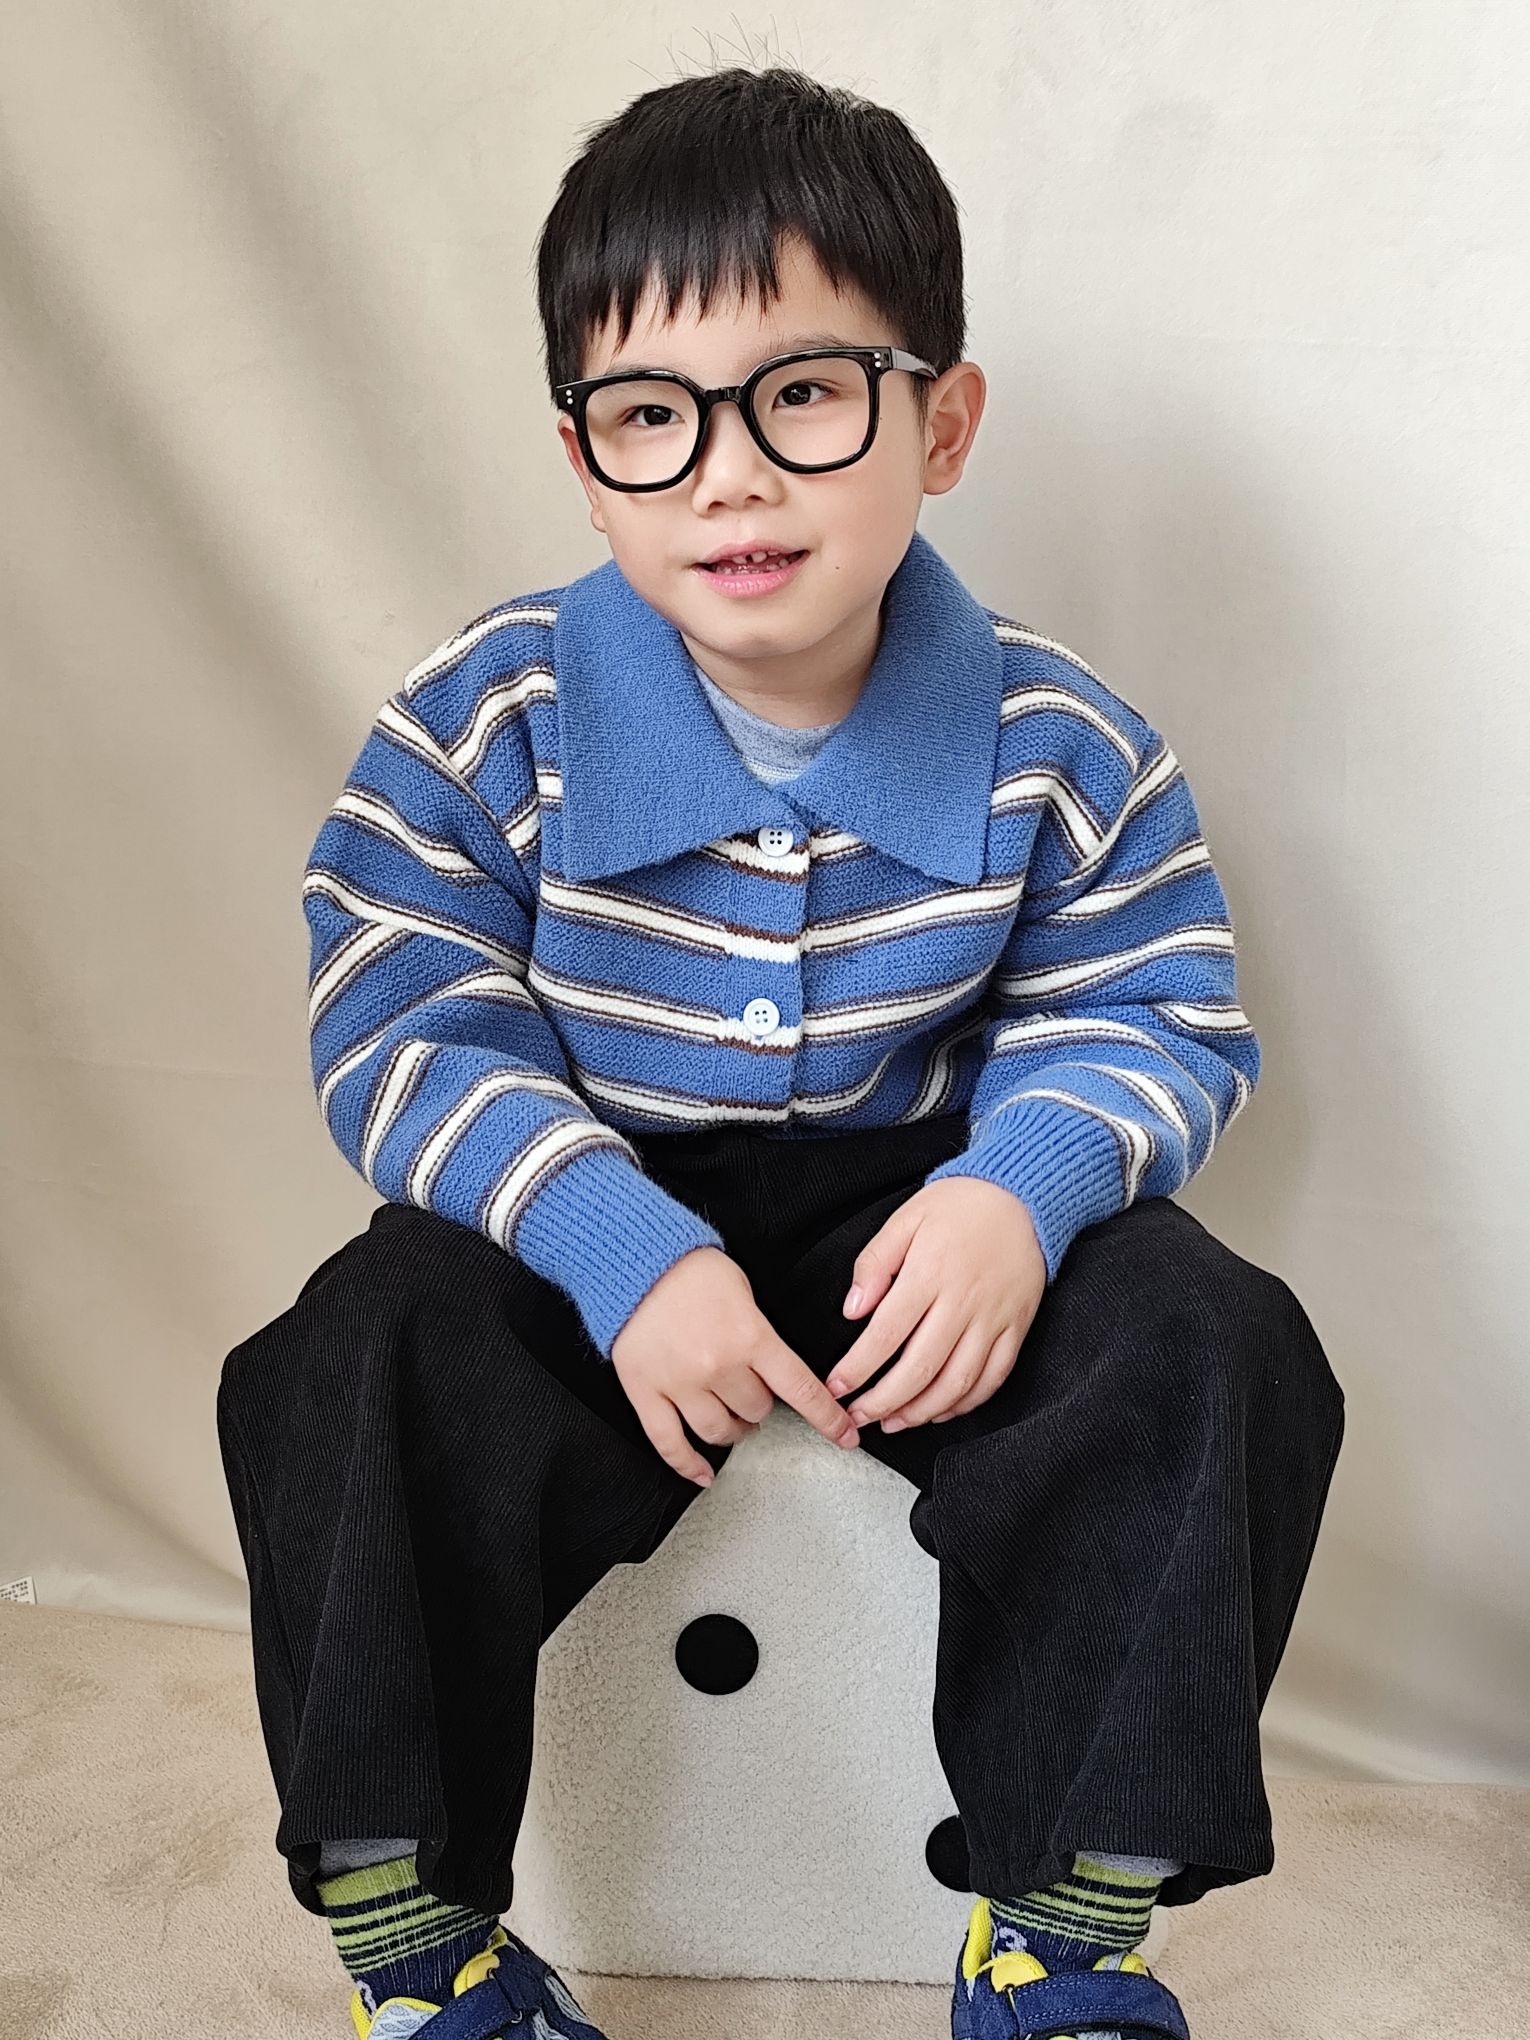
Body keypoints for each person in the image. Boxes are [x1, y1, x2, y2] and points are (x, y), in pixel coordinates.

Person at [217, 60, 1345, 2040]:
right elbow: (402, 1010)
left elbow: (1148, 1008)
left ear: (941, 422)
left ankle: (1061, 1933)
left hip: (923, 1212)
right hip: (582, 1202)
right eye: (651, 416)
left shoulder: (1062, 743)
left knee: (1213, 1345)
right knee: (348, 1362)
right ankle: (417, 1942)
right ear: (584, 457)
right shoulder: (486, 716)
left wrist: (1016, 1195)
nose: (728, 476)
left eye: (803, 396)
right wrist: (616, 1248)